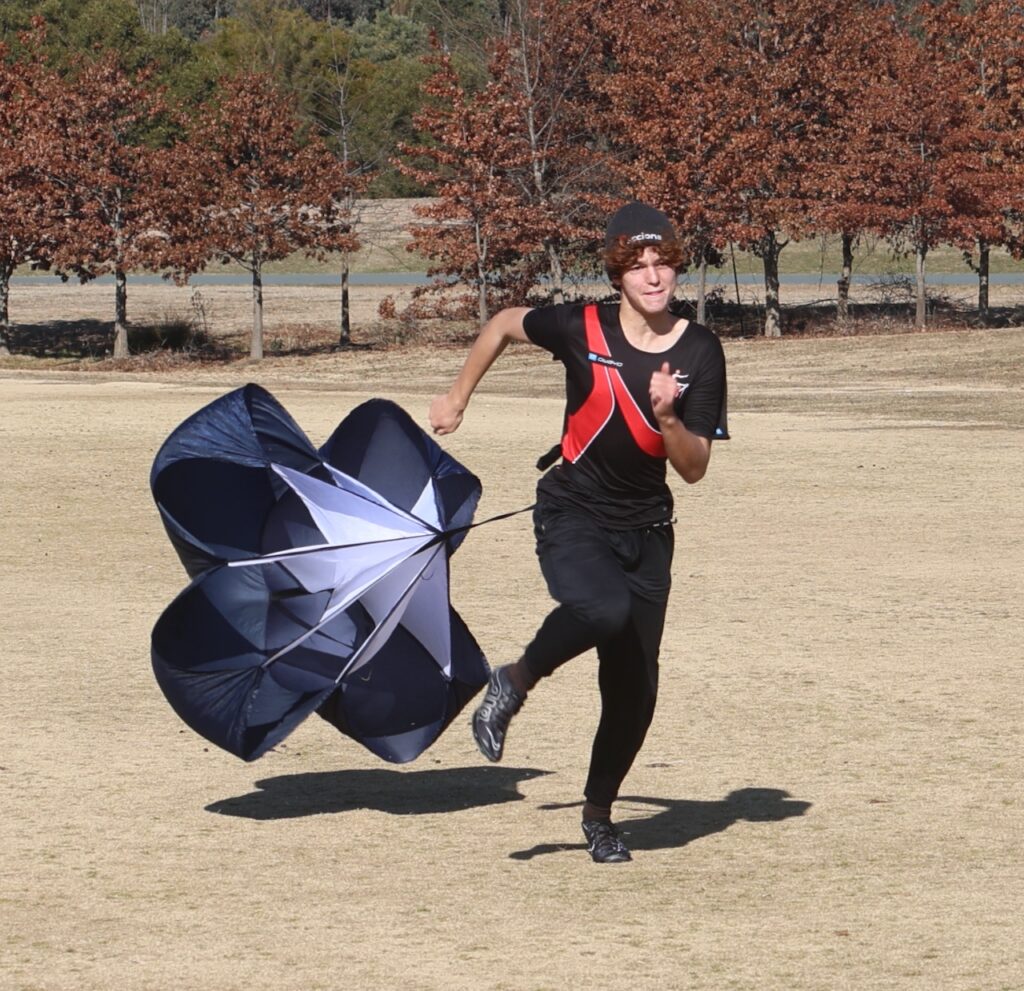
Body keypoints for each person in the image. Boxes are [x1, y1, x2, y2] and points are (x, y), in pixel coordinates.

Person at [429, 202, 729, 863]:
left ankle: (598, 815)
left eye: (663, 262)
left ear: (677, 265)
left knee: (634, 690)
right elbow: (505, 324)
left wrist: (669, 418)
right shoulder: (581, 326)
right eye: (638, 265)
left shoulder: (700, 351)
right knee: (599, 606)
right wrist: (457, 396)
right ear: (618, 273)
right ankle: (513, 679)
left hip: (648, 530)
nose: (653, 275)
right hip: (572, 513)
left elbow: (695, 468)